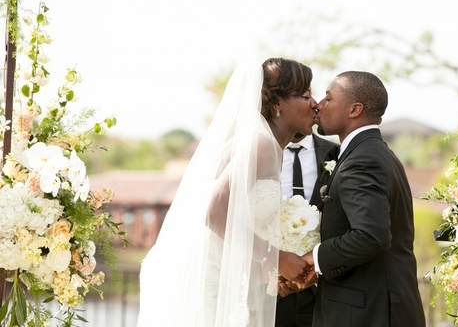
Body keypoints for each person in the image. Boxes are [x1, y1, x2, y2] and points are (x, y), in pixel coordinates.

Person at [137, 58, 319, 327]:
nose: (315, 103)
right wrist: (276, 258)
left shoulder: (266, 144)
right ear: (278, 103)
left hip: (231, 275)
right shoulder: (262, 145)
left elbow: (237, 226)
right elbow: (214, 211)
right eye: (305, 96)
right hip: (215, 279)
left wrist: (269, 272)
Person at [302, 71, 426, 327]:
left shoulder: (362, 160)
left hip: (368, 314)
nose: (318, 105)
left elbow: (371, 235)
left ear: (354, 110)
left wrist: (313, 260)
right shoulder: (376, 153)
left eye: (328, 98)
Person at [276, 132, 339, 327]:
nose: (312, 105)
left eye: (309, 98)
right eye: (303, 98)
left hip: (323, 290)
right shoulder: (258, 152)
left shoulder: (336, 152)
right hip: (270, 294)